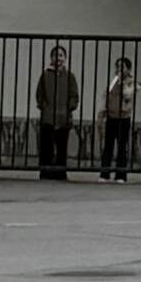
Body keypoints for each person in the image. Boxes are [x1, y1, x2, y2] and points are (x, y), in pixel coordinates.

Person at [34, 46, 80, 181]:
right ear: (51, 58)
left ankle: (60, 173)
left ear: (65, 58)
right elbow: (39, 94)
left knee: (61, 147)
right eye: (55, 55)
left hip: (63, 117)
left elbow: (74, 95)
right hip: (48, 116)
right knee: (46, 147)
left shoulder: (70, 76)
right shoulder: (45, 75)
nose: (58, 58)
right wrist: (44, 107)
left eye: (61, 55)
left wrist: (69, 107)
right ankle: (45, 172)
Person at [99, 56, 138, 183]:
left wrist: (122, 82)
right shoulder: (113, 81)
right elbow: (107, 94)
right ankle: (104, 173)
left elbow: (128, 95)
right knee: (108, 146)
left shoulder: (132, 82)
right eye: (117, 66)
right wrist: (103, 111)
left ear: (128, 69)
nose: (118, 69)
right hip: (111, 116)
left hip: (123, 118)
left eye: (122, 66)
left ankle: (121, 175)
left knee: (122, 147)